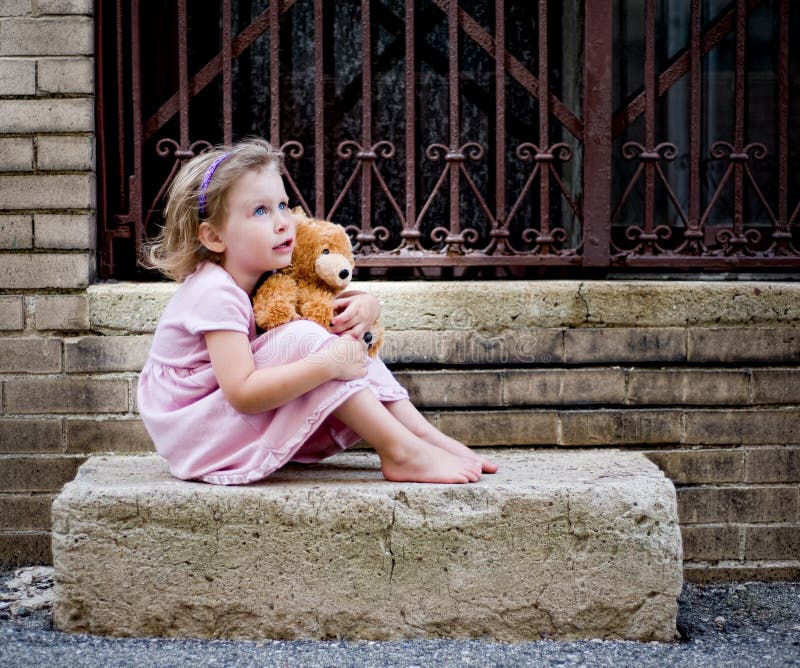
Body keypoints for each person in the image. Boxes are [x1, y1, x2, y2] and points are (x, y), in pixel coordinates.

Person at [137, 137, 497, 485]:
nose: (282, 222)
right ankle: (401, 451)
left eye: (283, 205)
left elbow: (321, 303)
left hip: (215, 419)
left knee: (336, 333)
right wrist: (326, 364)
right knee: (306, 337)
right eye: (260, 211)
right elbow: (243, 393)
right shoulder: (213, 292)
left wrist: (366, 306)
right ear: (214, 237)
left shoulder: (264, 269)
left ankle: (422, 436)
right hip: (196, 432)